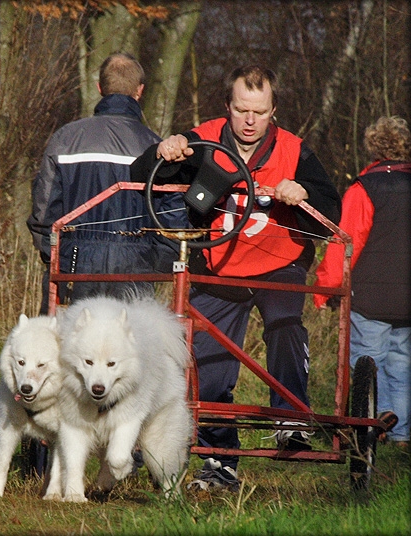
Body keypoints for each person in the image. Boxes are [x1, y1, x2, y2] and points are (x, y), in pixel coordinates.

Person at [132, 65, 341, 491]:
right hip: (218, 266)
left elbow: (330, 213)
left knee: (285, 324)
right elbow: (141, 176)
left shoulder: (295, 150)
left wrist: (302, 194)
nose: (250, 120)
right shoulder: (203, 139)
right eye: (242, 110)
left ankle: (289, 417)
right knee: (206, 364)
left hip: (280, 263)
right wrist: (165, 151)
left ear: (273, 110)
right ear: (228, 107)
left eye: (259, 112)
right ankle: (219, 460)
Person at [27, 52, 186, 315]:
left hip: (74, 263)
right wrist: (155, 266)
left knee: (67, 346)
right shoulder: (157, 147)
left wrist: (56, 257)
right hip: (136, 268)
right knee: (127, 350)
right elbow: (171, 216)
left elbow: (44, 210)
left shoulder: (65, 139)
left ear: (100, 88)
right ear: (140, 91)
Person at [314, 116, 410, 449]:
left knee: (368, 361)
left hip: (370, 297)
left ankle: (372, 426)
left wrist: (327, 289)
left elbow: (345, 243)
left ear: (372, 147)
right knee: (402, 363)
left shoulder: (364, 188)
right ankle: (402, 435)